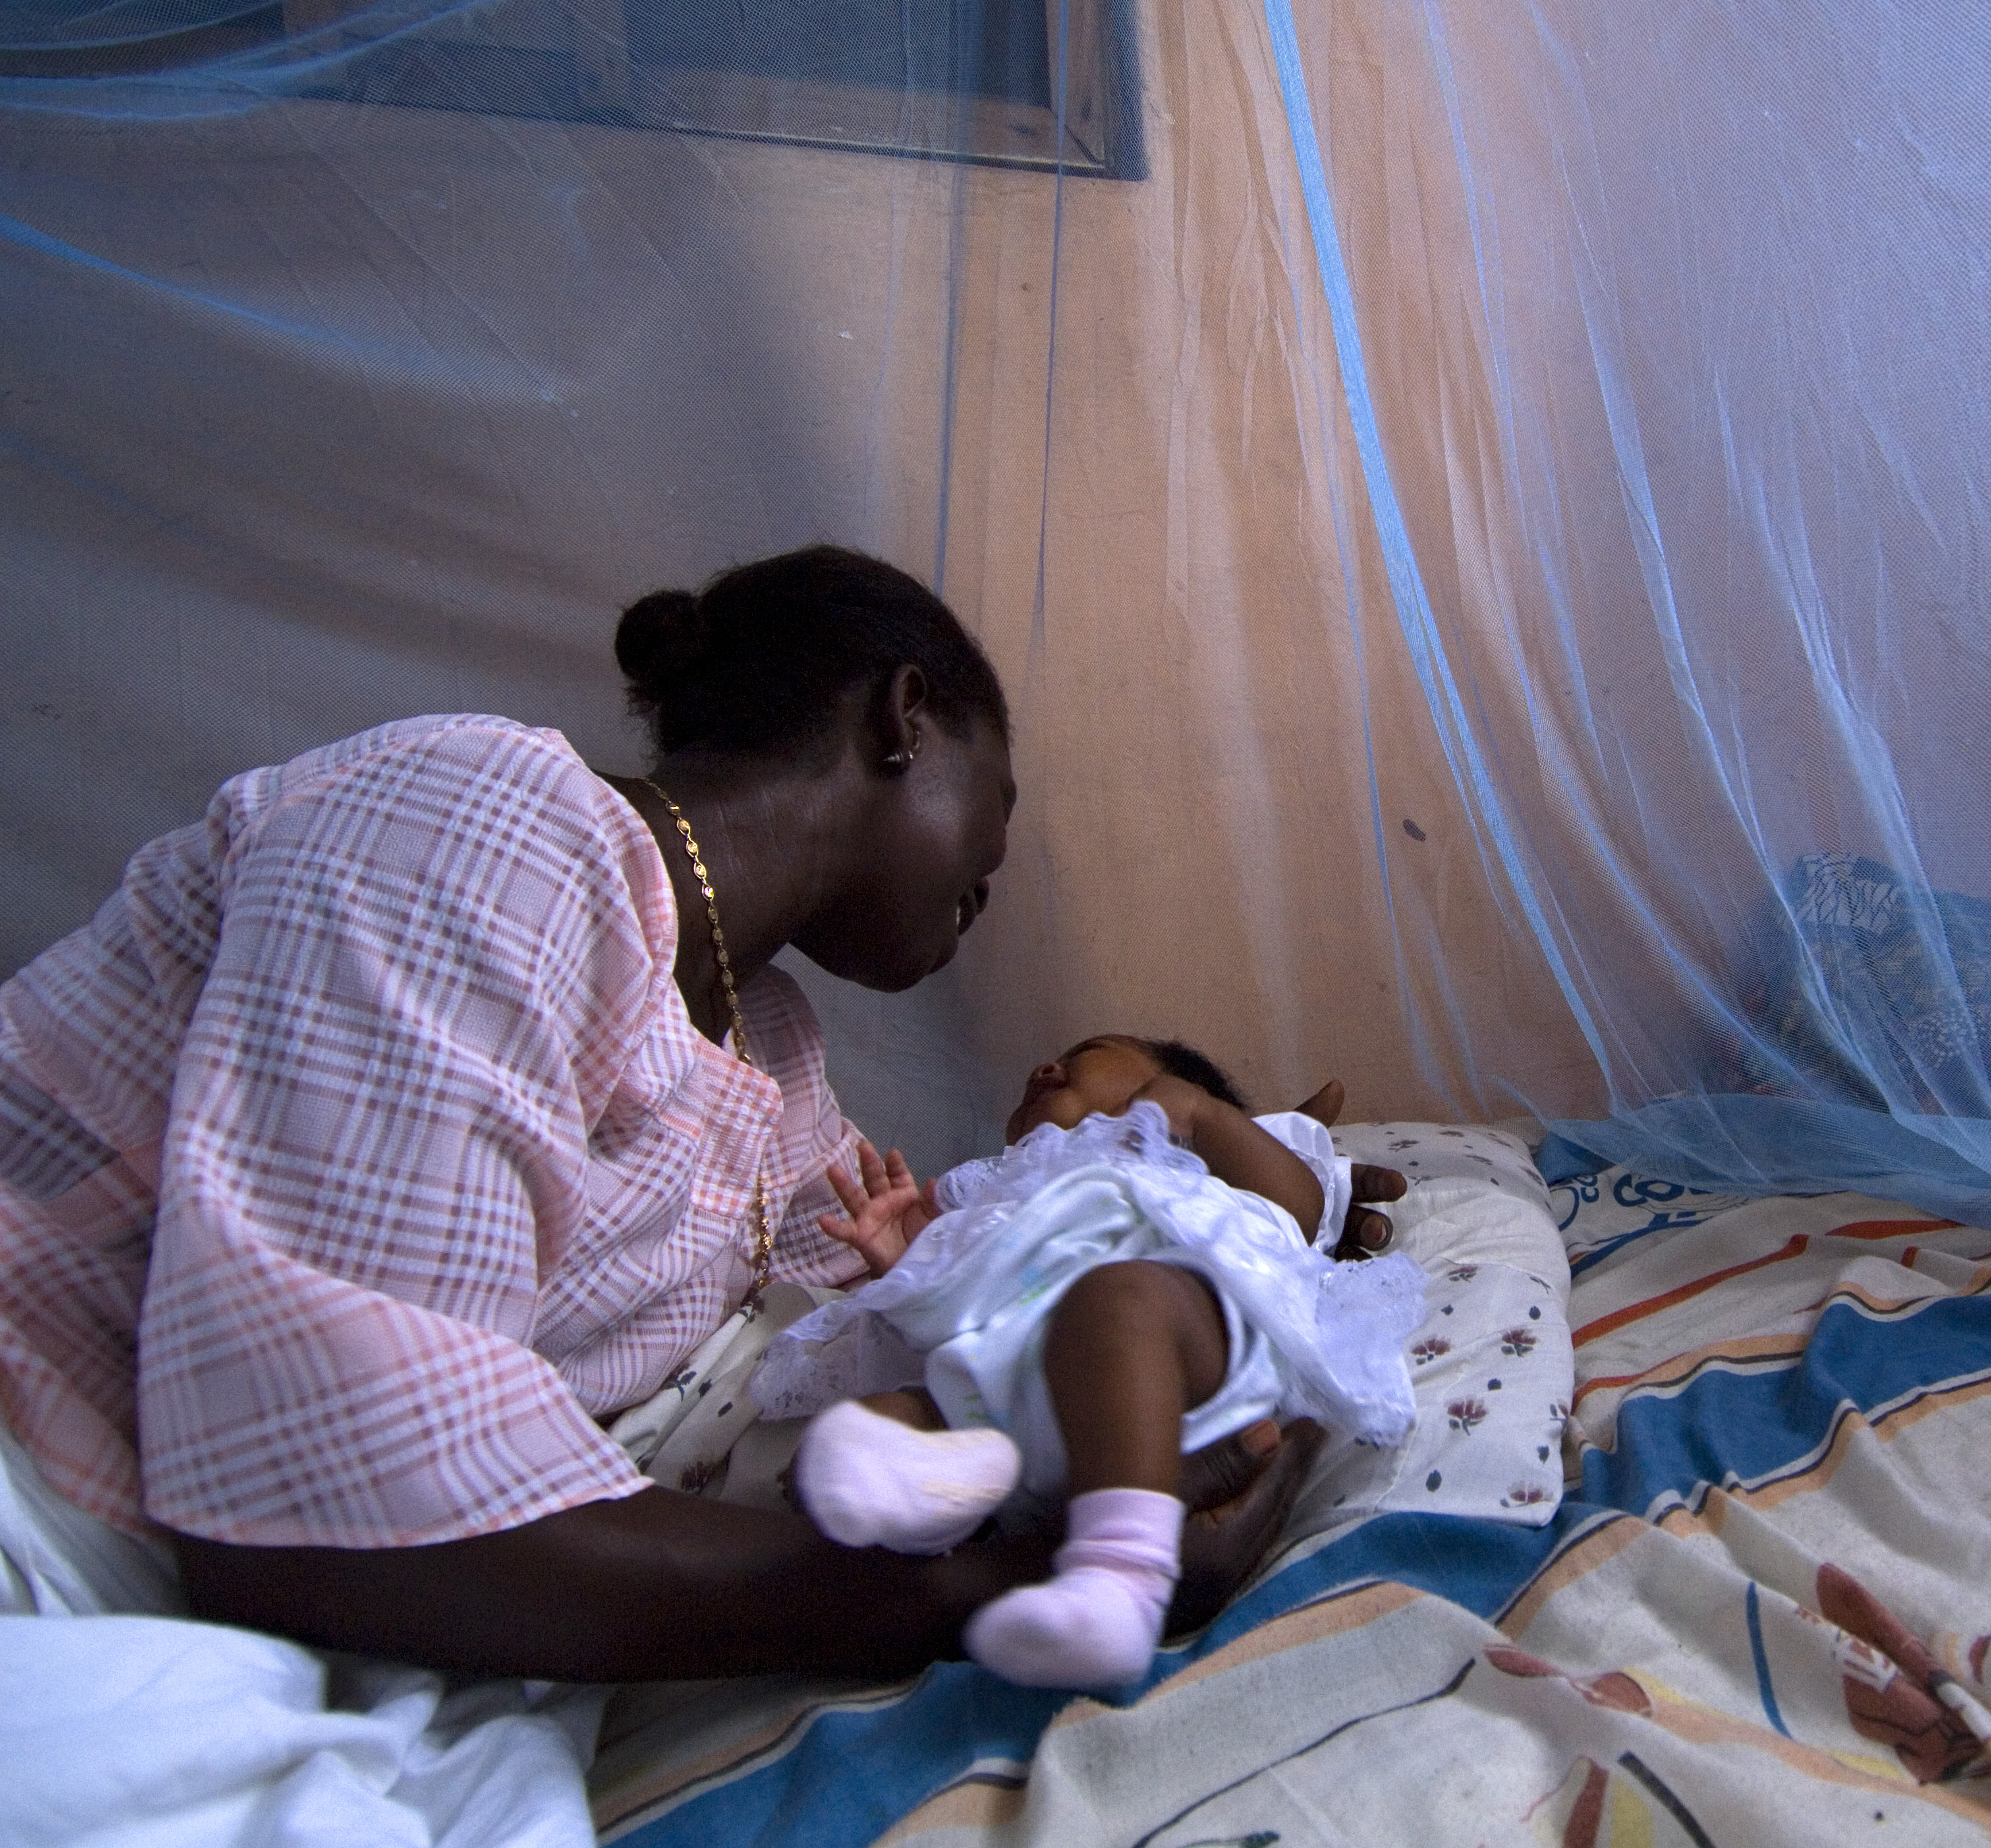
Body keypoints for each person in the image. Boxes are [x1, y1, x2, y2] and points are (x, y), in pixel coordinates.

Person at [0, 544, 1317, 1679]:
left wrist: (1178, 1418)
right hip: (41, 1476)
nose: (991, 880)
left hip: (232, 1590)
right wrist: (988, 1594)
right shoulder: (488, 825)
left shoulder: (778, 1055)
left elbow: (890, 1346)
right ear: (901, 717)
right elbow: (320, 1503)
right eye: (999, 816)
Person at [759, 1034, 1425, 1691]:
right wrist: (908, 1262)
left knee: (1114, 1299)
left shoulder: (1197, 1144)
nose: (1044, 1064)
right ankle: (942, 1491)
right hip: (1013, 1380)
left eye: (1087, 1052)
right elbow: (972, 1297)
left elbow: (1299, 1209)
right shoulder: (997, 1181)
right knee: (898, 1411)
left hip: (1176, 1353)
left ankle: (1118, 1585)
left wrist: (1205, 1113)